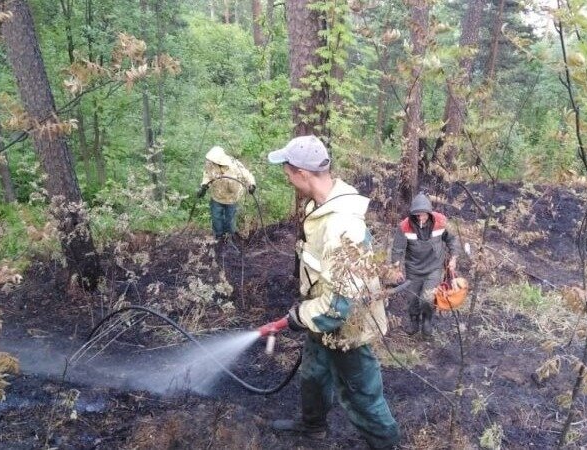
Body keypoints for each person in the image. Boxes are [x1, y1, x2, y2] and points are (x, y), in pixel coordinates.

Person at [266, 135, 400, 450]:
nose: (285, 174)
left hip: (346, 323)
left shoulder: (341, 225)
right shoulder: (321, 205)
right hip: (320, 314)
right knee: (313, 374)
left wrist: (299, 316)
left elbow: (339, 305)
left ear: (302, 172)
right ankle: (312, 428)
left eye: (287, 169)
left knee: (360, 392)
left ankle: (386, 444)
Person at [390, 193, 460, 337]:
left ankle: (427, 319)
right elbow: (397, 250)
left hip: (434, 268)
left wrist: (453, 258)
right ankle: (414, 321)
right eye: (417, 215)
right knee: (412, 299)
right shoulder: (404, 227)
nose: (421, 218)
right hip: (413, 269)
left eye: (424, 215)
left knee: (427, 298)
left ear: (429, 212)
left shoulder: (440, 221)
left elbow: (452, 240)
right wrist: (396, 269)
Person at [197, 146, 256, 243]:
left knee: (230, 219)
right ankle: (219, 238)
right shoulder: (210, 165)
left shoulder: (235, 165)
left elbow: (247, 175)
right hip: (217, 197)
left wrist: (252, 185)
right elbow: (207, 175)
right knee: (216, 218)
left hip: (232, 198)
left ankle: (229, 239)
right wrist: (204, 186)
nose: (211, 162)